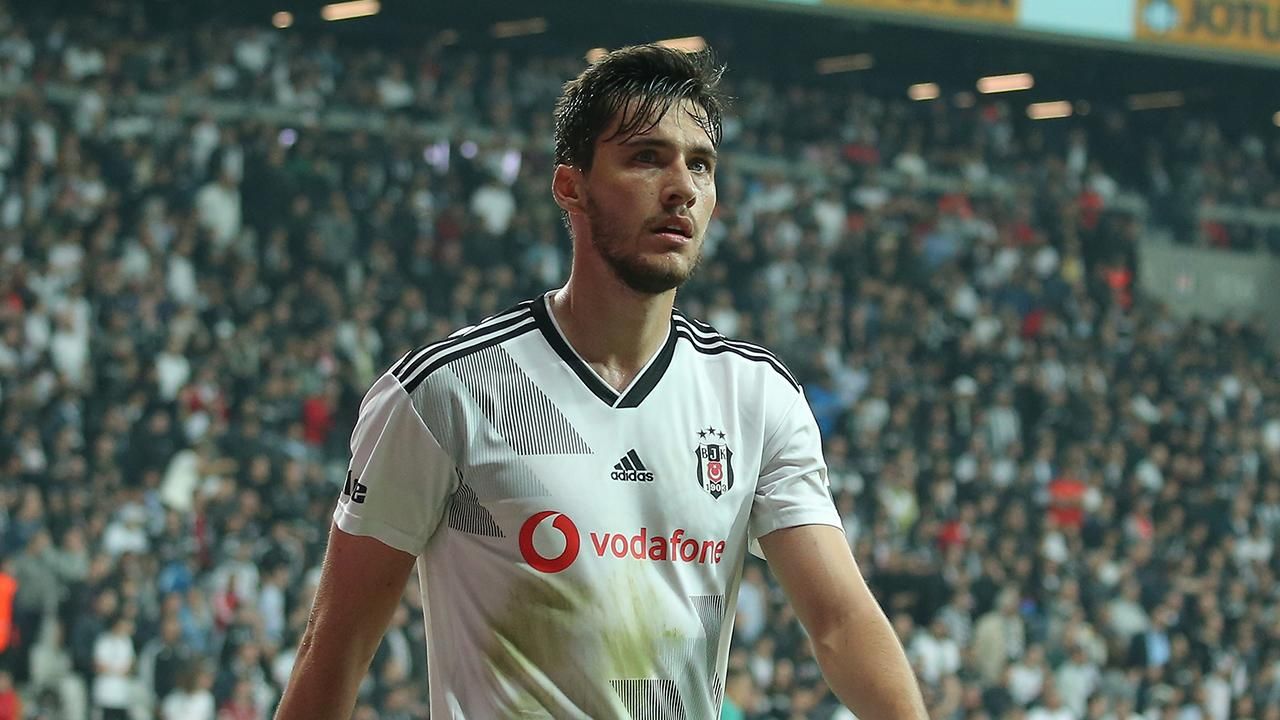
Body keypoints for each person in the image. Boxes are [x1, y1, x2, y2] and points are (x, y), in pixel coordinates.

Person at [275, 44, 926, 719]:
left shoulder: (756, 397)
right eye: (647, 157)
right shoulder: (446, 392)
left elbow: (840, 623)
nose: (682, 187)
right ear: (571, 186)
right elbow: (336, 643)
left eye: (700, 164)